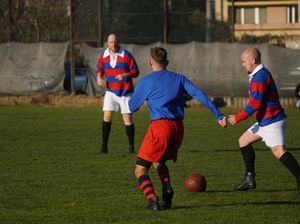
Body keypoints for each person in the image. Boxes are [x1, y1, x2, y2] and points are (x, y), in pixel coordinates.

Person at [128, 47, 227, 211]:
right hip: (178, 129)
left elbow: (132, 107)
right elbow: (200, 95)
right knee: (158, 161)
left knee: (140, 169)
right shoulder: (179, 79)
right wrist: (218, 114)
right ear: (166, 62)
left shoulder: (146, 81)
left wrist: (144, 96)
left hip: (160, 127)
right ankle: (167, 188)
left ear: (150, 62)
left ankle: (153, 201)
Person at [228, 48, 300, 194]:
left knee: (279, 151)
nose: (242, 64)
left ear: (253, 60)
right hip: (265, 120)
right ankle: (250, 179)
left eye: (244, 61)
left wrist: (237, 117)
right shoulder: (259, 74)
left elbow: (255, 104)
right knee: (243, 141)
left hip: (272, 121)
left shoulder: (259, 77)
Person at [97, 34, 139, 154]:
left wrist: (125, 74)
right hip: (110, 91)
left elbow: (135, 71)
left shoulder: (126, 55)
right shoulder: (104, 56)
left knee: (127, 119)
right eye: (111, 42)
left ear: (118, 42)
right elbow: (100, 68)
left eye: (115, 42)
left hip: (125, 91)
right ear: (107, 43)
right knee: (107, 117)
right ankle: (104, 147)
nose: (113, 44)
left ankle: (131, 147)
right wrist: (99, 76)